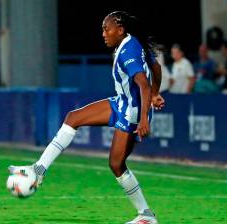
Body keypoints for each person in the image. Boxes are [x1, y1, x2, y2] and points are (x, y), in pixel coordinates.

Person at [9, 11, 164, 224]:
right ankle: (39, 169)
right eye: (102, 29)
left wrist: (145, 115)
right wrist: (156, 93)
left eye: (106, 29)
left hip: (132, 113)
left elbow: (143, 84)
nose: (103, 33)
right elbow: (156, 68)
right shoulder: (130, 43)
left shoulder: (128, 51)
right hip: (122, 102)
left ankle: (146, 216)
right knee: (73, 117)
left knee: (116, 165)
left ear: (120, 30)